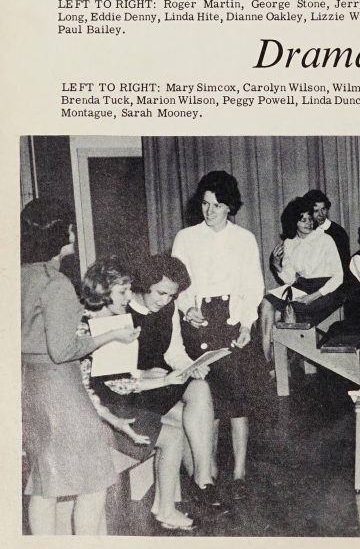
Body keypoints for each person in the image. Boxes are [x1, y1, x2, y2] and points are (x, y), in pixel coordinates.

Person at [20, 198, 139, 535]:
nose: (73, 231)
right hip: (61, 388)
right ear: (57, 233)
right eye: (68, 226)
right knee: (94, 480)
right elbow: (64, 350)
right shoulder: (55, 283)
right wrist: (112, 334)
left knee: (45, 482)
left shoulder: (18, 276)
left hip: (32, 387)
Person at [81, 255, 223, 528]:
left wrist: (189, 368)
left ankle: (203, 480)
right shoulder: (115, 313)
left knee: (200, 388)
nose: (165, 300)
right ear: (143, 285)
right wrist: (150, 376)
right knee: (181, 420)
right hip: (131, 391)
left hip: (152, 382)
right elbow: (114, 375)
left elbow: (174, 352)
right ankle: (172, 503)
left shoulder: (167, 311)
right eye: (160, 293)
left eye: (171, 295)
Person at [171, 171, 265, 498]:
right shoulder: (185, 238)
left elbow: (254, 288)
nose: (208, 211)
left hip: (233, 321)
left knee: (237, 402)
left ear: (229, 207)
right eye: (205, 204)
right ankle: (207, 467)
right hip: (200, 323)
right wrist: (187, 309)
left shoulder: (244, 239)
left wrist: (246, 323)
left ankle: (239, 471)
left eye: (216, 205)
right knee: (206, 398)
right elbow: (179, 282)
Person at [261, 197, 344, 362]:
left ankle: (283, 364)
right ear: (294, 222)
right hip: (302, 286)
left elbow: (339, 276)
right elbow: (290, 279)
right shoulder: (290, 243)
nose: (308, 223)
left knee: (283, 312)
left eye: (310, 219)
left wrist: (312, 297)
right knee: (266, 305)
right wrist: (277, 265)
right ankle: (266, 361)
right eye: (303, 220)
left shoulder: (325, 239)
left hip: (326, 289)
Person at [306, 188, 351, 272]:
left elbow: (344, 266)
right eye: (316, 211)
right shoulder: (304, 231)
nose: (321, 214)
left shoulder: (338, 232)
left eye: (323, 209)